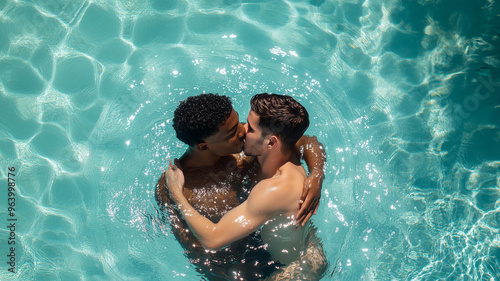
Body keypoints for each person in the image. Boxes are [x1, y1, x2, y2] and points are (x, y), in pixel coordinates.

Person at [155, 93, 326, 280]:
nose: (243, 131)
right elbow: (196, 252)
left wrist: (317, 175)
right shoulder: (179, 186)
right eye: (232, 132)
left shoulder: (249, 152)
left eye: (241, 122)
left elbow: (302, 140)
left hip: (287, 264)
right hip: (240, 267)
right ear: (204, 147)